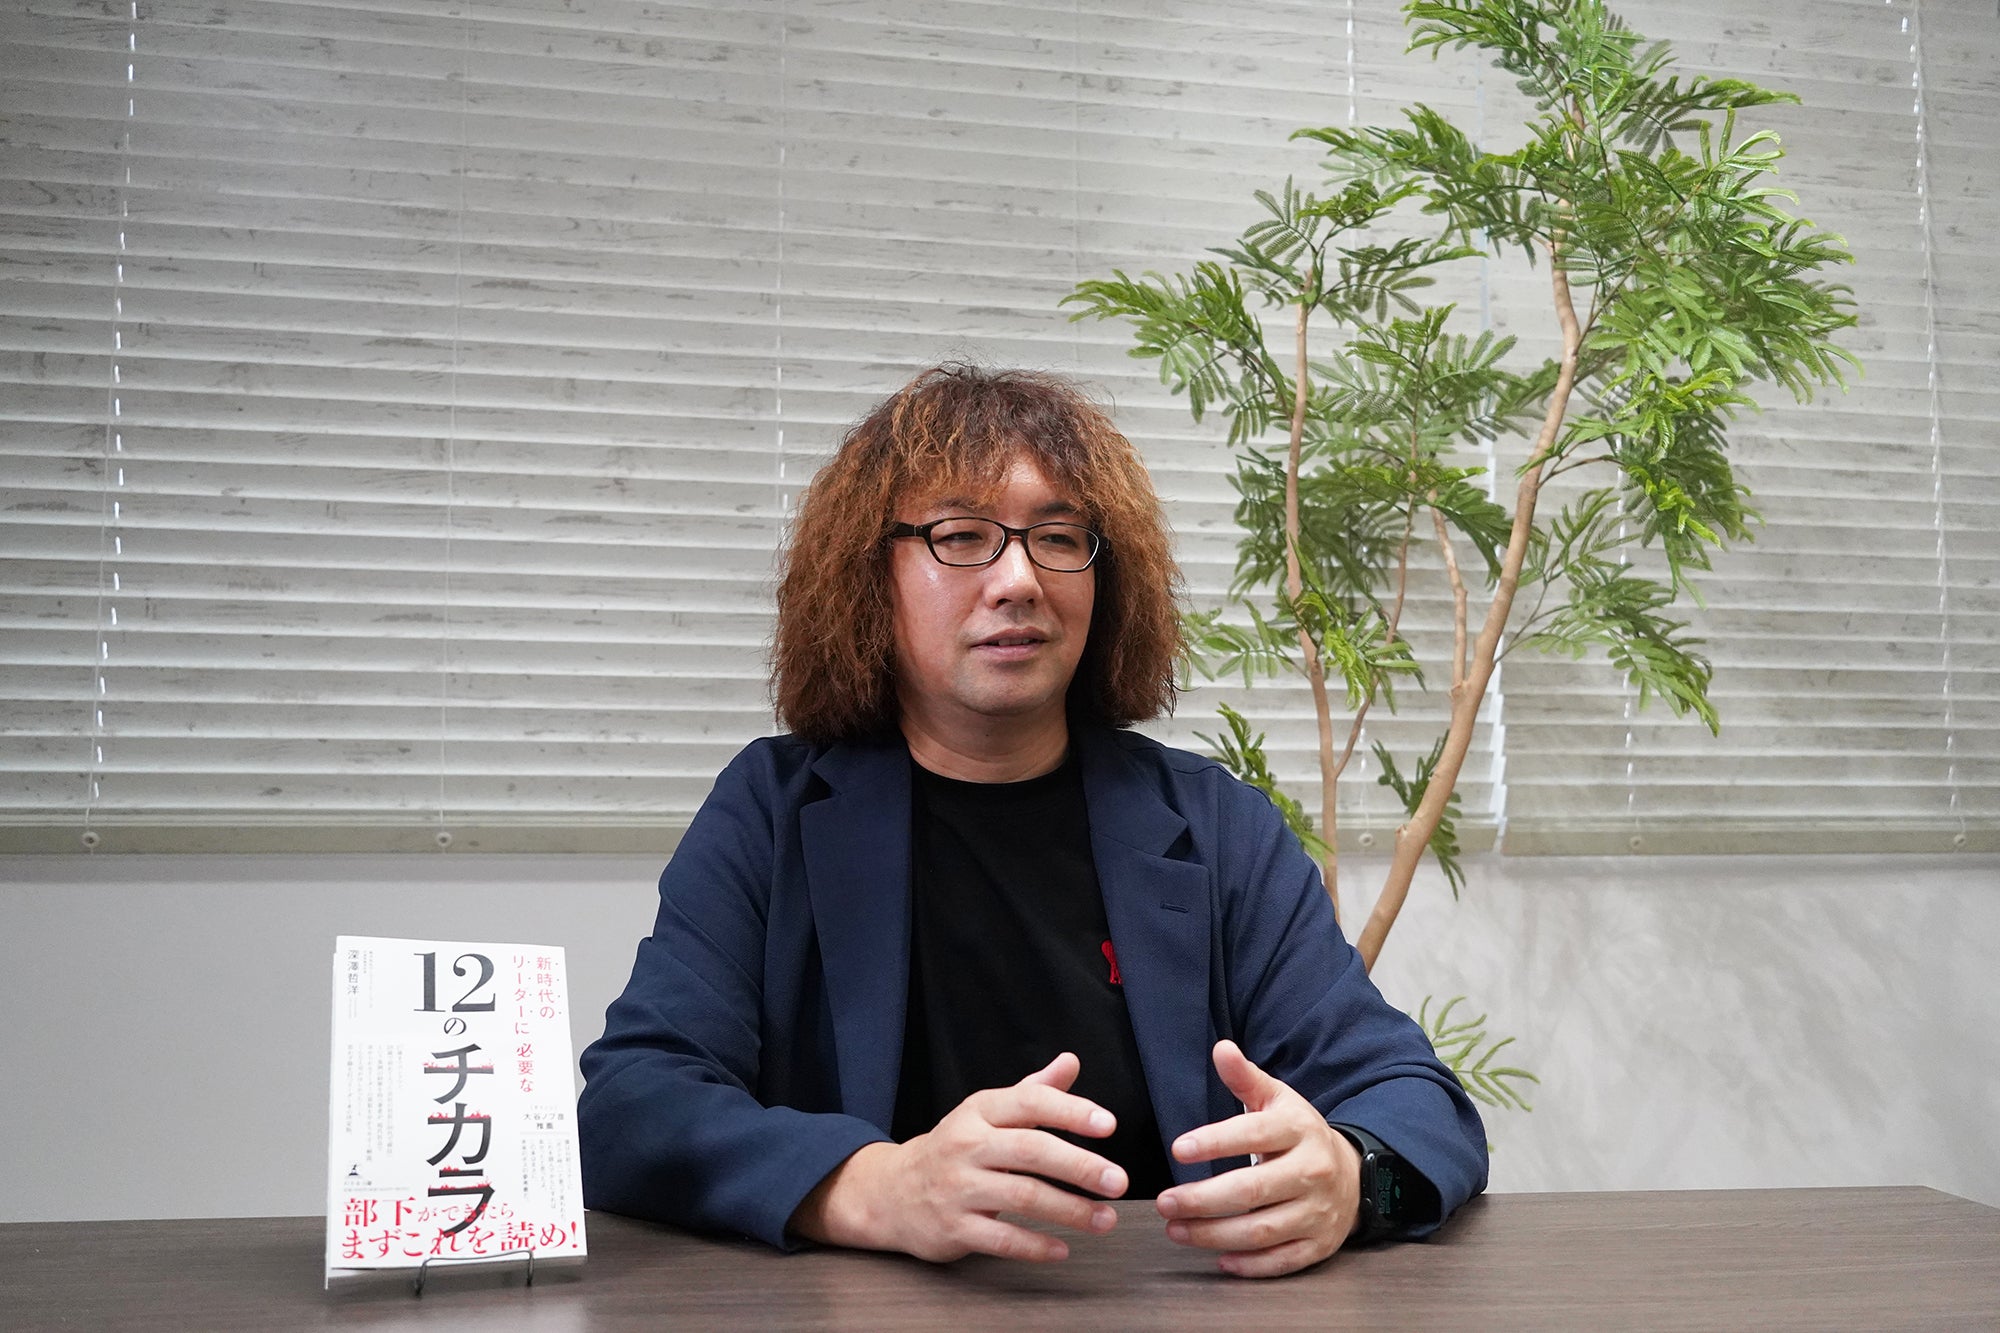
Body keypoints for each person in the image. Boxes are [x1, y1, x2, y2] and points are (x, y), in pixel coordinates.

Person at [578, 365, 1486, 1278]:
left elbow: (1414, 1098)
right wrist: (874, 1185)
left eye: (1058, 538)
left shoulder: (1212, 825)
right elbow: (633, 1103)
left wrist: (1350, 1175)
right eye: (961, 536)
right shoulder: (772, 811)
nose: (1018, 579)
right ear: (869, 576)